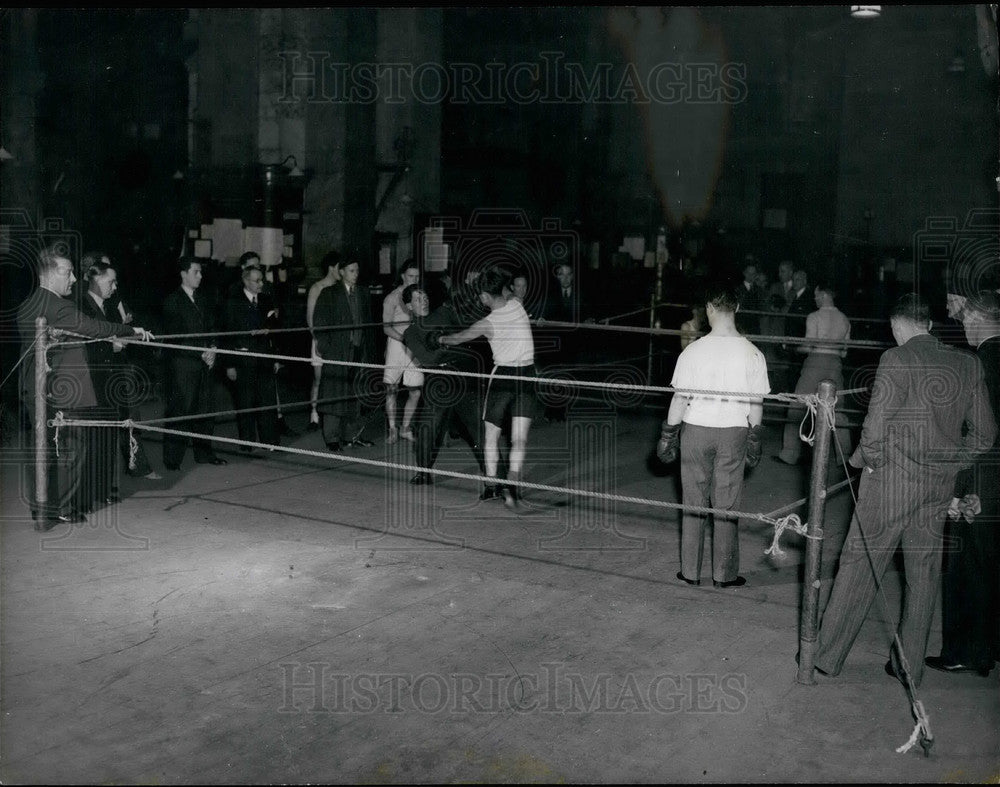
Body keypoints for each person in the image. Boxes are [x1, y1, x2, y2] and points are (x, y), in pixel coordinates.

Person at [814, 294, 996, 687]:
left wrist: (866, 462)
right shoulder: (968, 363)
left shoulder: (896, 359)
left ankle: (826, 656)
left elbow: (874, 428)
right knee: (923, 574)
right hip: (936, 489)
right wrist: (952, 462)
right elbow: (986, 434)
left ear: (897, 326)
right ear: (928, 325)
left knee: (859, 567)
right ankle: (908, 665)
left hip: (890, 484)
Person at [16, 245, 154, 530]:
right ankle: (63, 508)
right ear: (52, 274)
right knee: (72, 450)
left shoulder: (28, 303)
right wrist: (132, 330)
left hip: (35, 388)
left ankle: (42, 509)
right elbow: (94, 327)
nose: (75, 280)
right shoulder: (58, 306)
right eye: (68, 273)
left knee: (42, 450)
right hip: (61, 391)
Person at [657, 285, 770, 588]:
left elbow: (680, 399)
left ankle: (690, 573)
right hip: (734, 431)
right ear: (738, 309)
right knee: (727, 504)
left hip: (695, 430)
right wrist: (754, 439)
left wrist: (668, 434)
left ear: (708, 309)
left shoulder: (693, 350)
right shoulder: (753, 352)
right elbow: (756, 405)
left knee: (694, 500)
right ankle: (724, 575)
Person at [924, 291, 1000, 677]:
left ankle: (966, 653)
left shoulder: (983, 363)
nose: (965, 327)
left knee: (967, 569)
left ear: (983, 320)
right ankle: (989, 645)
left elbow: (984, 436)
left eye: (968, 320)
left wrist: (968, 491)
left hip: (982, 483)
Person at [440, 268, 537, 512]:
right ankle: (512, 484)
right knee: (519, 438)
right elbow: (504, 285)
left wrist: (439, 339)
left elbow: (459, 338)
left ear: (484, 296)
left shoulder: (487, 323)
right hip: (527, 375)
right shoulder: (518, 303)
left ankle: (492, 485)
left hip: (504, 377)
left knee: (490, 434)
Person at [400, 284, 486, 485]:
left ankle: (495, 479)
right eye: (418, 299)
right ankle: (422, 472)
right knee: (428, 427)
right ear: (408, 306)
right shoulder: (411, 332)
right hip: (438, 380)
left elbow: (466, 337)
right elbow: (428, 360)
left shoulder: (444, 313)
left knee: (478, 428)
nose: (424, 301)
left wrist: (444, 344)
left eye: (425, 297)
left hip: (461, 375)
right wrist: (448, 344)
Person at [774, 281, 852, 465]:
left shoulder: (814, 316)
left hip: (815, 363)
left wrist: (790, 348)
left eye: (817, 295)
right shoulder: (844, 319)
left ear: (824, 295)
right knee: (837, 409)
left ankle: (789, 453)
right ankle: (844, 457)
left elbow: (809, 346)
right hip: (835, 364)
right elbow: (844, 352)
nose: (815, 298)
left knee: (797, 405)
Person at [161, 257, 228, 470]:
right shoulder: (172, 301)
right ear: (184, 274)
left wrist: (214, 348)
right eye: (196, 272)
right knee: (181, 410)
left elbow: (213, 326)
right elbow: (175, 336)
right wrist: (201, 351)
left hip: (205, 363)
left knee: (205, 409)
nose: (200, 276)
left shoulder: (205, 299)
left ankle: (204, 453)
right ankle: (172, 459)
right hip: (183, 365)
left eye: (200, 272)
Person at [78, 255, 128, 513]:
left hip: (110, 382)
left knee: (108, 436)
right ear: (96, 279)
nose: (115, 287)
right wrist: (114, 344)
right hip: (92, 383)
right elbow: (85, 343)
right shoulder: (83, 306)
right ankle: (85, 495)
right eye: (112, 281)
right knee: (91, 439)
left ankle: (104, 490)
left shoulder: (109, 307)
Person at [313, 254, 376, 451]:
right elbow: (320, 322)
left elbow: (370, 324)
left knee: (356, 394)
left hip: (359, 351)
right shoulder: (329, 293)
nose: (355, 274)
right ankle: (331, 438)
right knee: (334, 393)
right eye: (351, 270)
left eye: (357, 270)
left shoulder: (364, 293)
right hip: (337, 351)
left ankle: (352, 435)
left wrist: (370, 352)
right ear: (341, 272)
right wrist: (325, 347)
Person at [221, 264, 280, 454]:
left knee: (267, 401)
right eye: (257, 281)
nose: (261, 284)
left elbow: (276, 330)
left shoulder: (266, 300)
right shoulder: (233, 303)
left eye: (262, 280)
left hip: (265, 359)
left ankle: (271, 441)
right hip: (243, 361)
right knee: (245, 402)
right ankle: (247, 443)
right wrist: (229, 364)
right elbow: (227, 335)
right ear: (246, 281)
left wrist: (276, 357)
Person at [382, 259, 423, 444]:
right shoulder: (392, 297)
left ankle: (405, 428)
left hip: (414, 347)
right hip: (396, 345)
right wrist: (404, 339)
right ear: (402, 276)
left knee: (415, 391)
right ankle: (392, 428)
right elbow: (386, 328)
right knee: (391, 389)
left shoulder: (421, 296)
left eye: (416, 276)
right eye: (410, 276)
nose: (414, 279)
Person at [306, 251, 342, 430]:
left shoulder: (340, 288)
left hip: (337, 342)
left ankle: (332, 416)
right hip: (321, 339)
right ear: (331, 268)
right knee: (319, 378)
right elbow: (311, 318)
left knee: (335, 379)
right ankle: (314, 415)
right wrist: (318, 340)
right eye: (339, 267)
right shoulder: (317, 287)